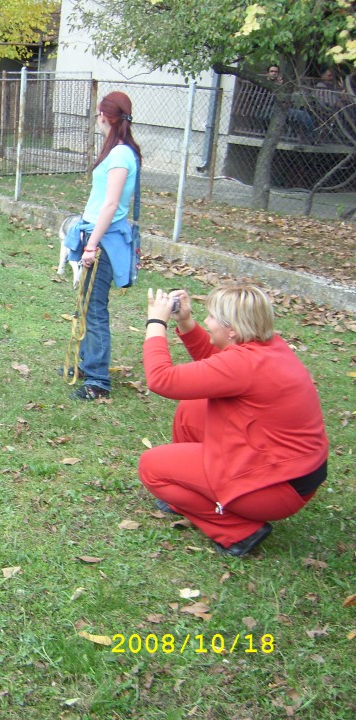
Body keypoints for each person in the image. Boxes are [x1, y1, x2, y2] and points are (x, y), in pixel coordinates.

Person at [139, 284, 328, 557]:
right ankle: (195, 493)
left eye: (212, 317)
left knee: (151, 467)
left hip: (276, 488)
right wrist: (186, 322)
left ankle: (238, 531)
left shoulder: (245, 364)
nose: (207, 320)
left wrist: (157, 322)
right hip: (288, 470)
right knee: (192, 408)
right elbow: (218, 366)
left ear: (232, 330)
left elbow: (161, 380)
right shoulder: (267, 347)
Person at [63, 91, 141, 401]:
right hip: (94, 235)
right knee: (84, 303)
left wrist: (92, 246)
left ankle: (98, 381)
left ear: (106, 117)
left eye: (98, 114)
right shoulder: (116, 152)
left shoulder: (121, 154)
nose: (97, 118)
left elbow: (111, 205)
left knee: (94, 310)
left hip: (103, 241)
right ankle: (86, 364)